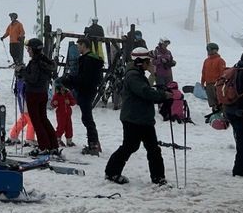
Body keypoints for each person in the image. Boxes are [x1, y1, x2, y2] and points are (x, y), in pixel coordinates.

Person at [105, 47, 171, 185]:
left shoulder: (137, 74)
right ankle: (111, 172)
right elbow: (145, 92)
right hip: (134, 119)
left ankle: (158, 177)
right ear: (141, 62)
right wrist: (163, 96)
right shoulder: (133, 76)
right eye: (149, 61)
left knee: (152, 148)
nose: (151, 64)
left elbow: (146, 90)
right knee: (130, 146)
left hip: (142, 118)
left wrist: (158, 85)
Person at [22, 38, 59, 157]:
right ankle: (52, 145)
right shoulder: (45, 61)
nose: (28, 51)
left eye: (29, 49)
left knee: (37, 121)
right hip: (42, 93)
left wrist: (22, 72)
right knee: (43, 119)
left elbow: (33, 79)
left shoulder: (35, 62)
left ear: (33, 49)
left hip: (33, 94)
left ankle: (44, 147)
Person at [70, 38, 105, 155]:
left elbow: (84, 78)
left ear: (84, 45)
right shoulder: (94, 59)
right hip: (89, 90)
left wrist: (71, 80)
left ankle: (93, 144)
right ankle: (94, 143)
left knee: (87, 118)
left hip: (86, 91)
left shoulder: (87, 60)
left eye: (78, 45)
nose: (77, 48)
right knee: (87, 117)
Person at [200, 43, 226, 113]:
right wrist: (202, 82)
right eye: (208, 50)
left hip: (217, 84)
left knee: (219, 100)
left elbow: (222, 73)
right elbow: (204, 72)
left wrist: (220, 83)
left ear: (216, 50)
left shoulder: (220, 60)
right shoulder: (206, 61)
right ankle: (214, 112)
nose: (209, 51)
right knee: (212, 101)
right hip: (208, 84)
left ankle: (221, 113)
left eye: (211, 50)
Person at [50, 79, 76, 147]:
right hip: (60, 115)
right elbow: (52, 104)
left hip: (68, 114)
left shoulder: (68, 94)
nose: (62, 90)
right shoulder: (56, 95)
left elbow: (73, 102)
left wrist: (70, 102)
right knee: (60, 127)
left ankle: (69, 140)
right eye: (61, 89)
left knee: (69, 127)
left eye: (63, 88)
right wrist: (54, 103)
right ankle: (57, 139)